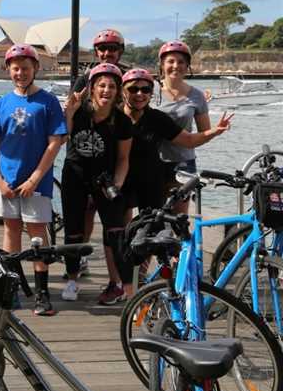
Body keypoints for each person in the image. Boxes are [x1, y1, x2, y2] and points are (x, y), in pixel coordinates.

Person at [0, 44, 66, 316]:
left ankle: (42, 293)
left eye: (25, 68)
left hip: (37, 182)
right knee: (10, 231)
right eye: (15, 68)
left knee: (37, 234)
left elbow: (55, 142)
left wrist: (35, 178)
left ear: (35, 69)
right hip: (8, 180)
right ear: (8, 70)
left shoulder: (48, 101)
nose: (20, 73)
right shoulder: (2, 103)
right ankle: (11, 288)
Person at [61, 63, 133, 305]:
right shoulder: (79, 111)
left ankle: (122, 285)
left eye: (112, 86)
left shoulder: (121, 120)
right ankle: (72, 279)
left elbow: (124, 158)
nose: (106, 90)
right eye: (101, 85)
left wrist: (118, 185)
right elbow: (64, 139)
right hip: (75, 176)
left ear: (118, 90)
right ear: (91, 88)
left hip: (105, 179)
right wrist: (69, 114)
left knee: (115, 231)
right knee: (73, 230)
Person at [121, 67, 233, 213]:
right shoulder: (115, 117)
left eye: (146, 90)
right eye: (133, 89)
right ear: (123, 91)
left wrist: (215, 131)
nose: (140, 94)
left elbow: (188, 140)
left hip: (150, 181)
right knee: (118, 228)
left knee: (152, 227)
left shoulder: (157, 118)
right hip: (122, 178)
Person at [156, 41, 211, 214]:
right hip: (152, 161)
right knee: (151, 217)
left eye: (181, 62)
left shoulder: (197, 96)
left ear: (187, 66)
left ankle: (179, 243)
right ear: (162, 65)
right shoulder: (148, 89)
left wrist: (217, 130)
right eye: (170, 61)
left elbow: (204, 132)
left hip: (183, 163)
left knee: (178, 219)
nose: (175, 66)